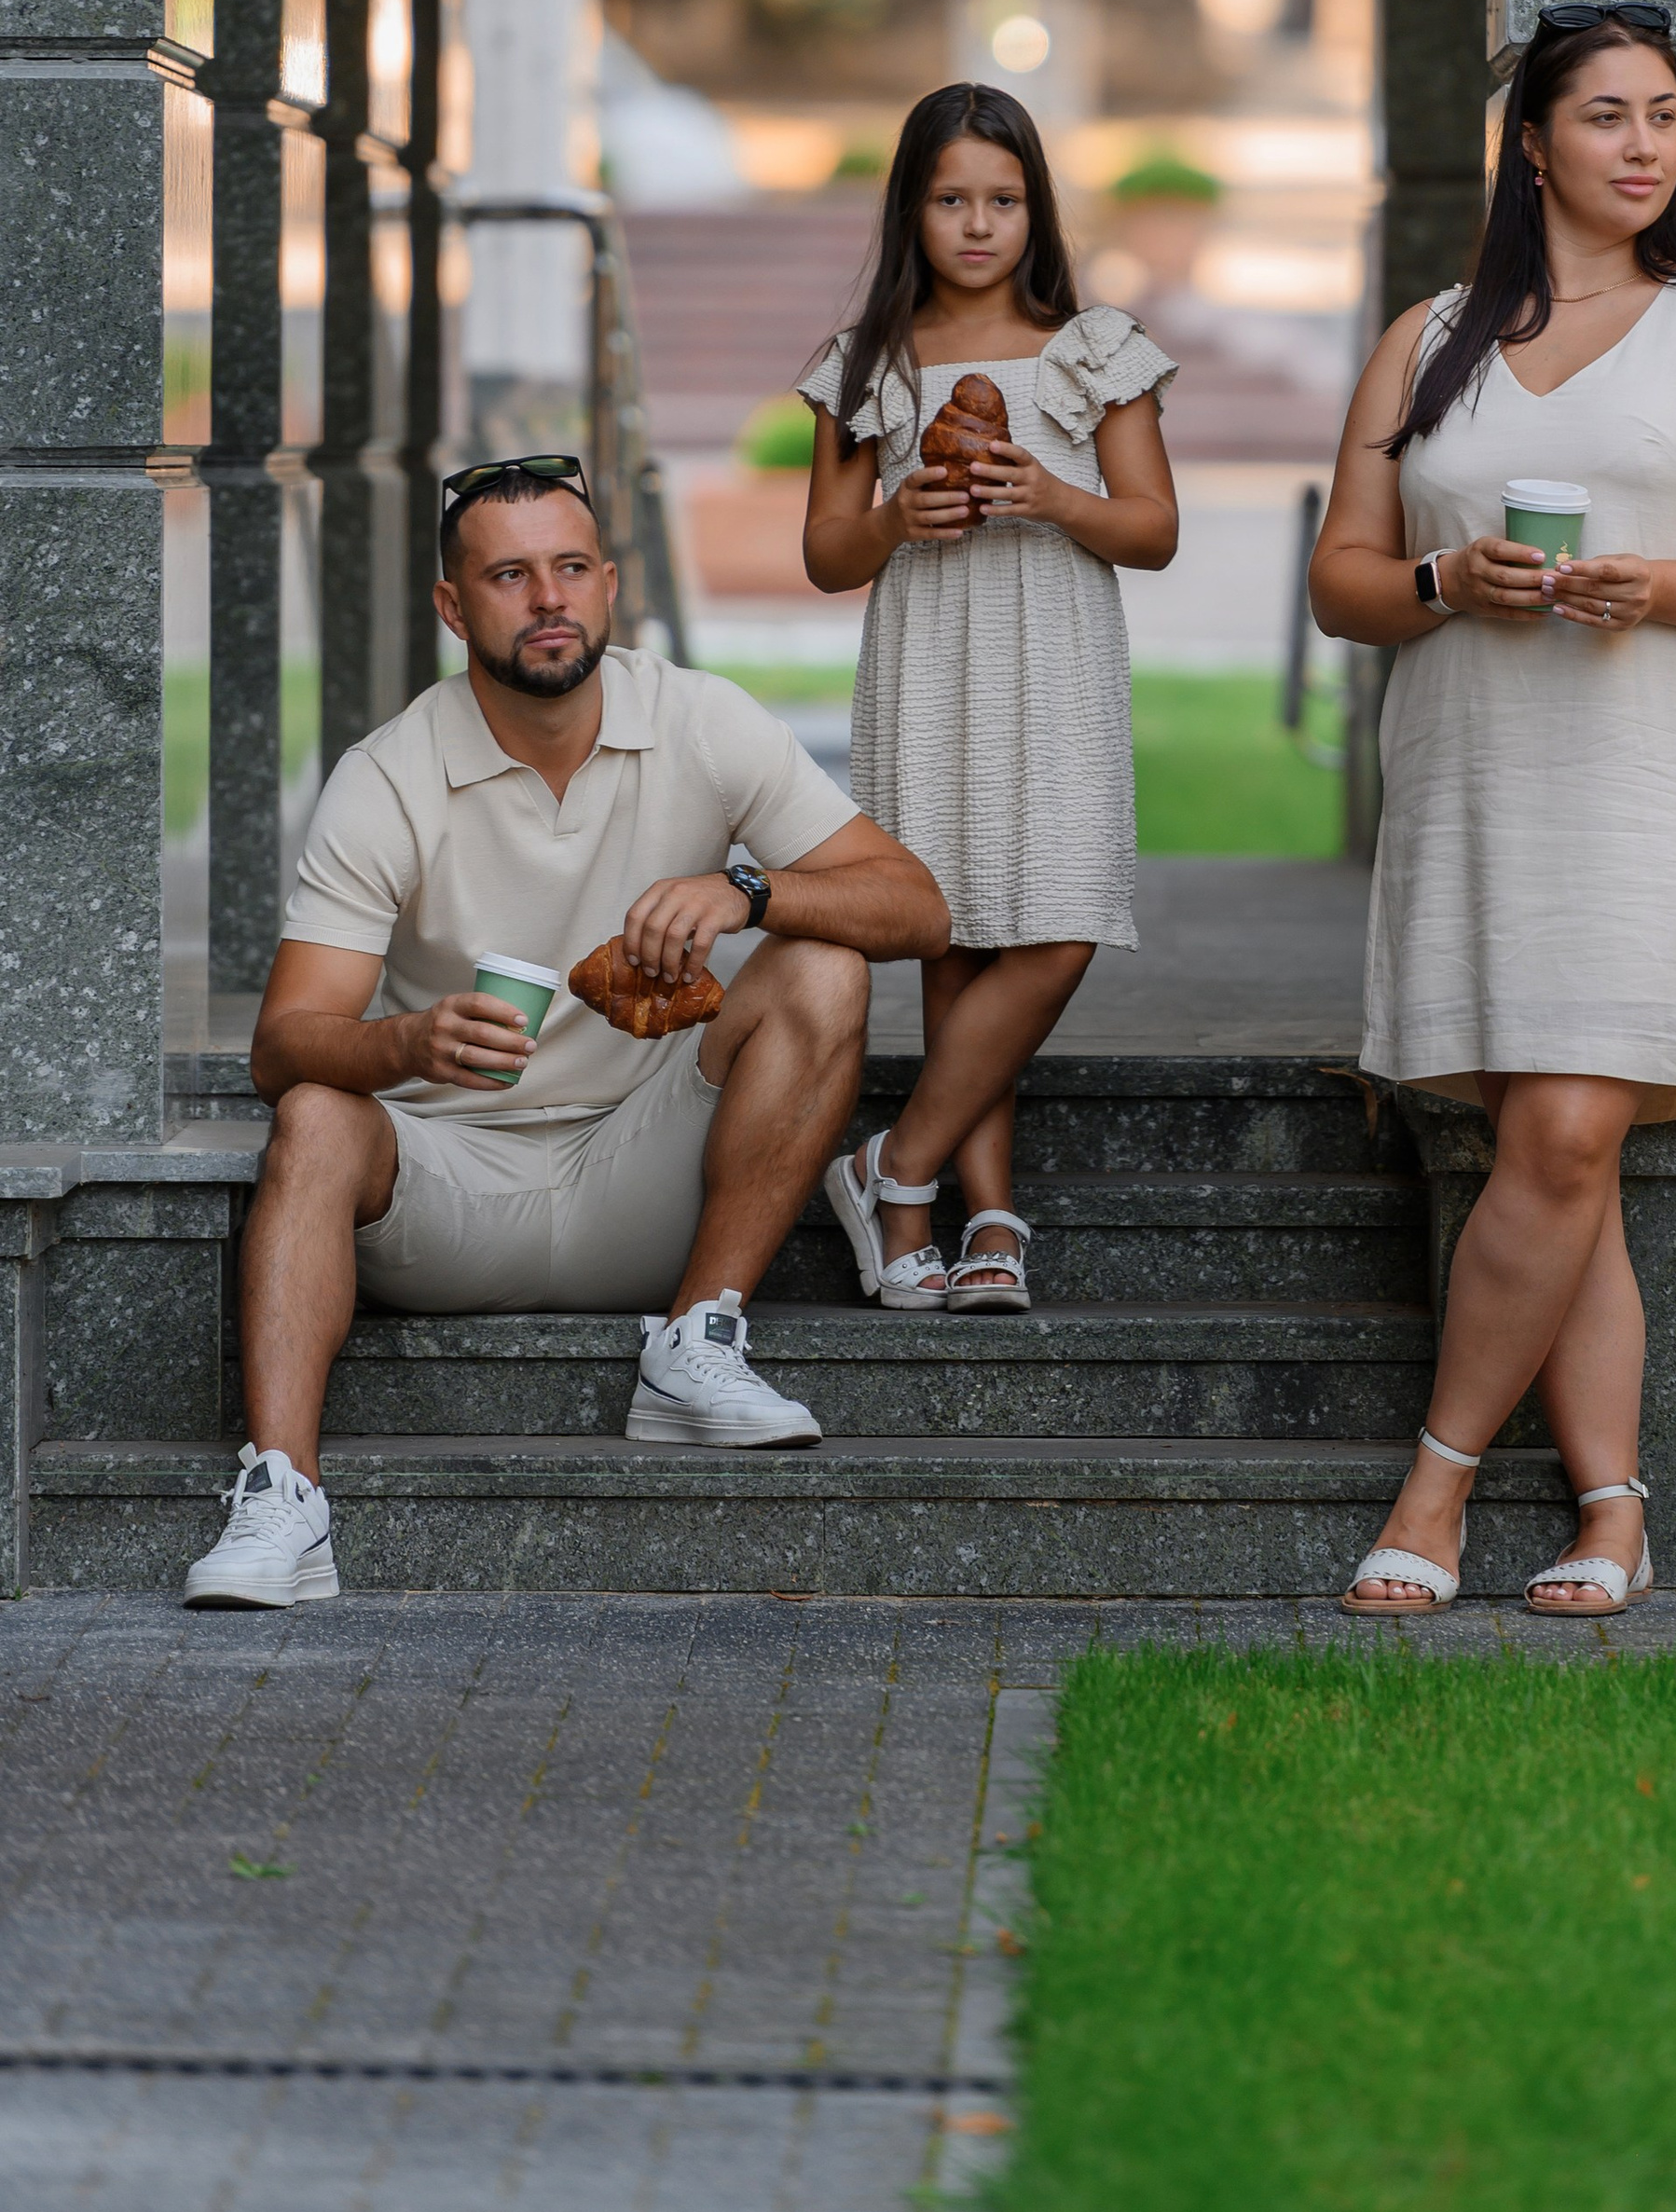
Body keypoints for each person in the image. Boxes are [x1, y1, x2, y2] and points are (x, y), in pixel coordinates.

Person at [182, 454, 949, 1610]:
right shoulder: (388, 773)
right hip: (446, 1195)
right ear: (454, 606)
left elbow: (919, 906)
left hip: (649, 1173)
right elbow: (280, 1045)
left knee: (825, 965)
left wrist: (751, 890)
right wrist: (405, 1045)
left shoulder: (699, 717)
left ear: (609, 583)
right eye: (508, 574)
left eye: (571, 566)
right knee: (316, 1113)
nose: (548, 597)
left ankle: (696, 1342)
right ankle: (284, 1496)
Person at [1309, 0, 1676, 1617]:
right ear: (1532, 142)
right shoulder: (1425, 338)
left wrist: (1664, 582)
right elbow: (1344, 582)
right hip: (1480, 781)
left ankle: (1439, 1483)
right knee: (1569, 1155)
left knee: (1557, 1132)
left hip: (1652, 788)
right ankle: (1613, 1507)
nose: (1643, 145)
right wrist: (1442, 575)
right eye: (1608, 115)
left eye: (1666, 116)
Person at [801, 81, 1177, 1313]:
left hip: (1054, 653)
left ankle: (893, 1164)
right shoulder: (869, 366)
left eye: (1003, 200)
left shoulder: (1092, 348)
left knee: (1058, 917)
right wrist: (893, 517)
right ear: (910, 209)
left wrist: (1053, 498)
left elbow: (1154, 529)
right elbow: (823, 555)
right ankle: (983, 1224)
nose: (977, 224)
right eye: (951, 198)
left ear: (1038, 209)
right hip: (929, 653)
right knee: (956, 935)